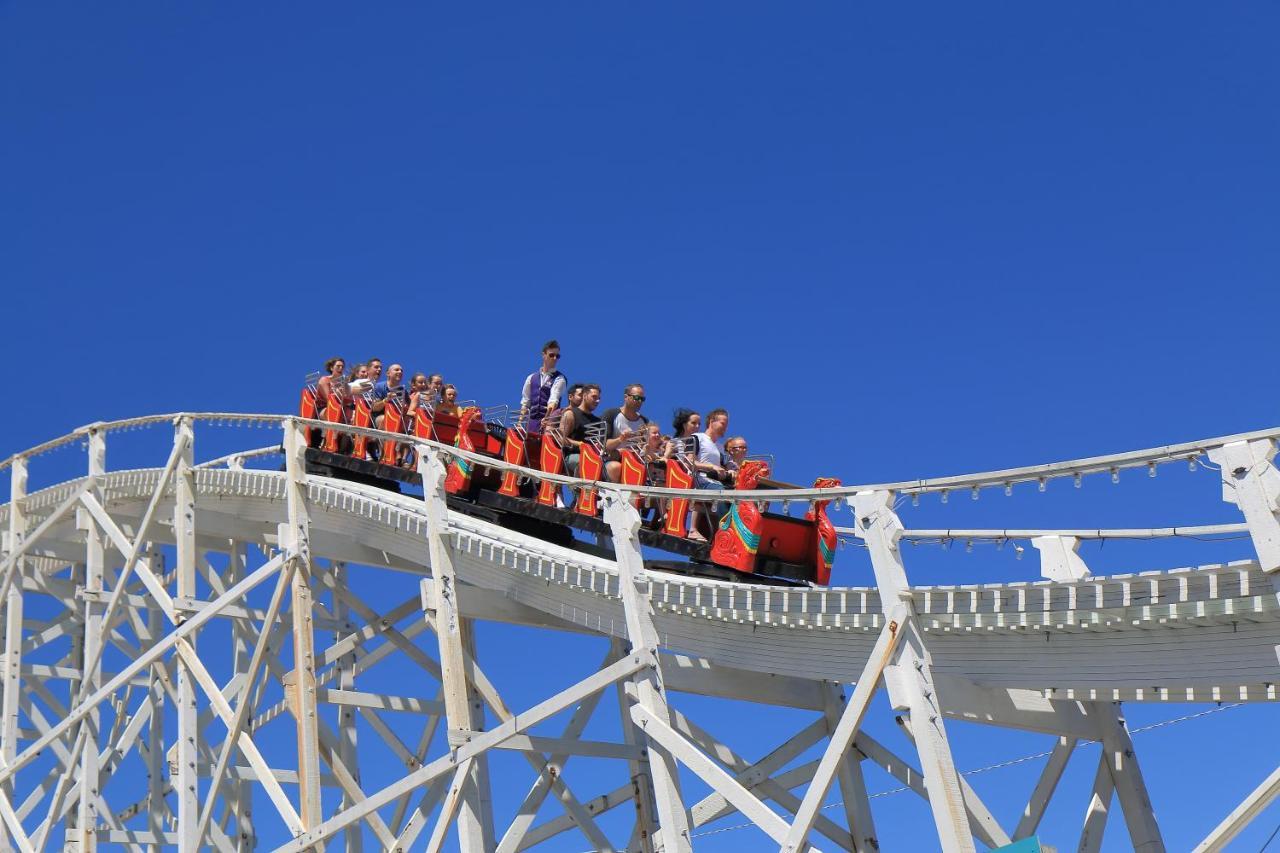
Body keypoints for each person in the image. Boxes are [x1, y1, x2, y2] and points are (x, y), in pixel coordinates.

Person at [601, 384, 650, 482]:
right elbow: (604, 445)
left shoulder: (644, 421)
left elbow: (645, 445)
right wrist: (620, 439)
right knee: (616, 467)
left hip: (635, 460)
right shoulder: (611, 414)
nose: (639, 401)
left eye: (642, 399)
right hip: (612, 458)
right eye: (636, 398)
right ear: (626, 397)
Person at [519, 340, 566, 434]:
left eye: (558, 356)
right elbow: (526, 402)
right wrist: (520, 422)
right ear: (543, 355)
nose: (555, 358)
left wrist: (547, 418)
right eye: (551, 355)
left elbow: (553, 401)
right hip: (531, 423)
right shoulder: (531, 378)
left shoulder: (559, 379)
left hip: (548, 425)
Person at [557, 383, 603, 477]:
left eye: (599, 398)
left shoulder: (598, 421)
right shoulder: (570, 414)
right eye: (594, 397)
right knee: (587, 463)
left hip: (593, 456)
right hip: (573, 456)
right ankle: (581, 490)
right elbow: (560, 438)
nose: (597, 401)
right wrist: (579, 444)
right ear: (585, 396)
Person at [692, 408, 731, 490]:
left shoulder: (720, 447)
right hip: (702, 481)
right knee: (726, 496)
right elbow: (689, 463)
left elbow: (722, 469)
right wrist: (712, 467)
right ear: (712, 421)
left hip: (717, 484)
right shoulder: (697, 437)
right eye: (723, 424)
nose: (725, 428)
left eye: (726, 426)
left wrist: (730, 472)